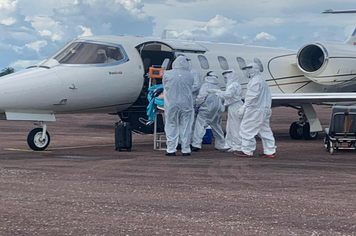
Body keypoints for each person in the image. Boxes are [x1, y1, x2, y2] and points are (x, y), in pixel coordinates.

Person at [234, 63, 276, 158]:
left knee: (246, 129)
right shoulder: (263, 81)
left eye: (249, 69)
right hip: (264, 109)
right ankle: (270, 151)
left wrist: (244, 106)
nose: (247, 72)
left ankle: (247, 150)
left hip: (255, 109)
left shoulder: (255, 81)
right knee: (264, 130)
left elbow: (252, 96)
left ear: (254, 70)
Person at [163, 56, 195, 156]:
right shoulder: (190, 75)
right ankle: (185, 149)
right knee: (186, 126)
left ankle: (171, 149)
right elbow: (192, 87)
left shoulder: (167, 74)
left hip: (172, 104)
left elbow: (165, 87)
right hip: (186, 104)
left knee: (171, 124)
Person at [208, 69, 244, 152]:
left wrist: (217, 91)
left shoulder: (233, 85)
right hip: (232, 106)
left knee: (235, 126)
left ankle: (237, 145)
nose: (225, 79)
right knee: (230, 127)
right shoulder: (235, 84)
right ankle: (229, 144)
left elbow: (228, 95)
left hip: (235, 106)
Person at [191, 71, 225, 151]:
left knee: (200, 125)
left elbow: (201, 97)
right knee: (217, 126)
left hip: (207, 109)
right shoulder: (217, 87)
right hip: (217, 109)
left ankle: (196, 144)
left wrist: (197, 104)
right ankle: (221, 144)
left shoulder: (205, 86)